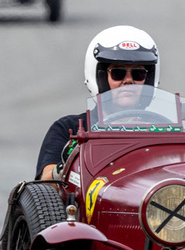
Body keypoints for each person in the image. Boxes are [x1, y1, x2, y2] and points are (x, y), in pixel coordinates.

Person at [36, 25, 160, 180]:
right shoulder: (68, 129)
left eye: (138, 73)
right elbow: (46, 180)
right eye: (118, 73)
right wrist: (70, 166)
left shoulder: (164, 131)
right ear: (100, 78)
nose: (128, 80)